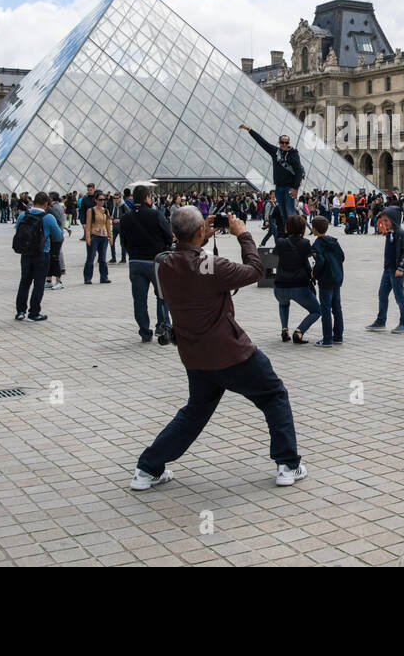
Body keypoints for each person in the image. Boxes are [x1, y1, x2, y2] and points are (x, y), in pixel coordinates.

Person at [131, 206, 306, 490]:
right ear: (201, 231)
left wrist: (197, 238)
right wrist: (244, 235)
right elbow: (256, 270)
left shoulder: (163, 265)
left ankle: (147, 469)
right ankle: (288, 464)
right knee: (274, 395)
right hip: (231, 352)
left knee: (194, 413)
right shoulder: (209, 265)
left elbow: (186, 260)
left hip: (194, 356)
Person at [118, 188, 174, 344]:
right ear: (147, 198)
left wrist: (133, 254)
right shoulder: (155, 214)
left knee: (139, 299)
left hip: (135, 262)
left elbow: (124, 242)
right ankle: (162, 327)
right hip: (155, 261)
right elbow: (168, 235)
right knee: (162, 296)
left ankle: (144, 331)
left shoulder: (125, 218)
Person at [238, 124, 305, 219]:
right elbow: (262, 142)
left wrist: (295, 188)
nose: (284, 144)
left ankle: (292, 231)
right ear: (279, 143)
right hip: (278, 187)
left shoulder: (294, 154)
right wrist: (249, 129)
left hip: (289, 187)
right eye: (282, 142)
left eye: (286, 142)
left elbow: (298, 171)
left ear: (289, 143)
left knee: (289, 211)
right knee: (282, 211)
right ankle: (286, 231)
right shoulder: (275, 152)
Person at [273, 213, 321, 343]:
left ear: (287, 227)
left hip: (280, 287)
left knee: (283, 304)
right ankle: (299, 331)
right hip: (299, 286)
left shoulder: (281, 242)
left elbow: (275, 252)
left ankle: (284, 330)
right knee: (317, 310)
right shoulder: (305, 243)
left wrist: (284, 236)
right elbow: (311, 256)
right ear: (302, 228)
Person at [14, 192, 60, 321]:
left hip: (25, 254)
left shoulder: (22, 215)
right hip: (42, 254)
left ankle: (20, 312)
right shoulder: (48, 218)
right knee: (39, 284)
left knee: (24, 282)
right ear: (46, 204)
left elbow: (18, 231)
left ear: (33, 202)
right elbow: (58, 236)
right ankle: (34, 313)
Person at [367, 206, 404, 334]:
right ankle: (381, 320)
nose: (384, 223)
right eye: (383, 221)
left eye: (386, 221)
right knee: (382, 294)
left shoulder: (401, 233)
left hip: (396, 270)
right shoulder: (390, 233)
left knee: (399, 297)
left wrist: (401, 267)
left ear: (394, 220)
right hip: (388, 269)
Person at [310, 217, 345, 347]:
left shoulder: (316, 245)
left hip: (326, 280)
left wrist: (315, 273)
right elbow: (342, 257)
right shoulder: (334, 241)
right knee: (337, 308)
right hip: (337, 278)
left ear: (314, 229)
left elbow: (320, 261)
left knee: (325, 309)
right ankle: (338, 336)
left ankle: (327, 339)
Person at [82, 190, 112, 284]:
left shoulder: (106, 211)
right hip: (94, 236)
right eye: (100, 199)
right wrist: (88, 237)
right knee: (90, 258)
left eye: (104, 200)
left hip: (104, 237)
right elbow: (88, 224)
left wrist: (110, 237)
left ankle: (104, 277)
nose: (102, 201)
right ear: (95, 200)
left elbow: (108, 225)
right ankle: (87, 278)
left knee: (103, 259)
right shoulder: (91, 211)